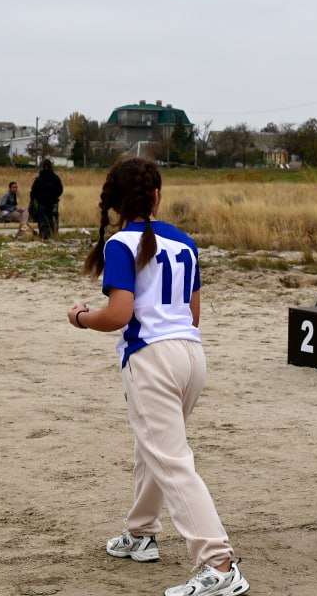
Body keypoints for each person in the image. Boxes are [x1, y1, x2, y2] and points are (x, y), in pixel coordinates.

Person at [70, 158, 248, 596]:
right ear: (155, 197)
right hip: (191, 355)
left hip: (152, 358)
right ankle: (142, 532)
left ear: (114, 202)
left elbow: (118, 314)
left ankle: (219, 563)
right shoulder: (185, 242)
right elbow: (193, 314)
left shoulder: (119, 244)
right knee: (153, 448)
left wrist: (79, 317)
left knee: (171, 460)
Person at [30, 159, 63, 240]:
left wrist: (37, 198)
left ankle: (44, 235)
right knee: (54, 218)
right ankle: (54, 234)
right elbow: (60, 189)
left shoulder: (39, 178)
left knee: (43, 219)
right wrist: (55, 196)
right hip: (53, 201)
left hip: (42, 202)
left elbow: (34, 190)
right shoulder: (55, 177)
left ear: (43, 166)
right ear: (51, 166)